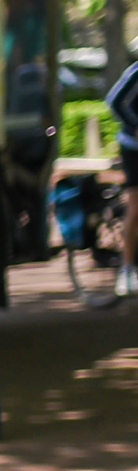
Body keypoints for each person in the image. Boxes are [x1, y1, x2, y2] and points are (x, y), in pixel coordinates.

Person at [107, 58, 138, 299]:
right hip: (134, 148)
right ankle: (126, 269)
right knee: (136, 205)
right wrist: (135, 125)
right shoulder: (136, 72)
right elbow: (114, 101)